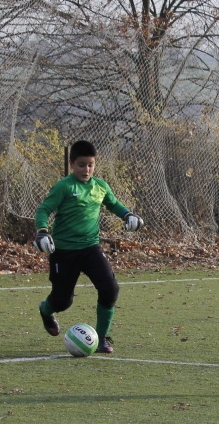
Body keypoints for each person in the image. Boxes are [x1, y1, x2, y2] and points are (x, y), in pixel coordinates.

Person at [33, 140, 143, 354]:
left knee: (110, 289)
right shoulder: (64, 186)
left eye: (91, 165)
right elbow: (43, 210)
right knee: (63, 301)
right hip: (63, 252)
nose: (87, 169)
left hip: (90, 248)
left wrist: (127, 214)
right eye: (82, 165)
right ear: (72, 164)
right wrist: (42, 231)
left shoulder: (100, 186)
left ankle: (101, 338)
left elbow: (113, 203)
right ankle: (46, 310)